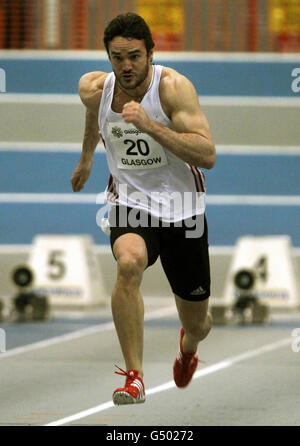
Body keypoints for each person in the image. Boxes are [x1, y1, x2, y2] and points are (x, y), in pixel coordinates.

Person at [71, 12, 216, 406]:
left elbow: (208, 154)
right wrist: (86, 158)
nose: (126, 66)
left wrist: (150, 125)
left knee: (198, 322)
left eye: (134, 56)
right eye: (117, 58)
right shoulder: (94, 88)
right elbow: (94, 112)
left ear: (151, 53)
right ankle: (134, 377)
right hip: (131, 204)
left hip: (182, 211)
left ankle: (188, 348)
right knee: (129, 262)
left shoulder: (173, 89)